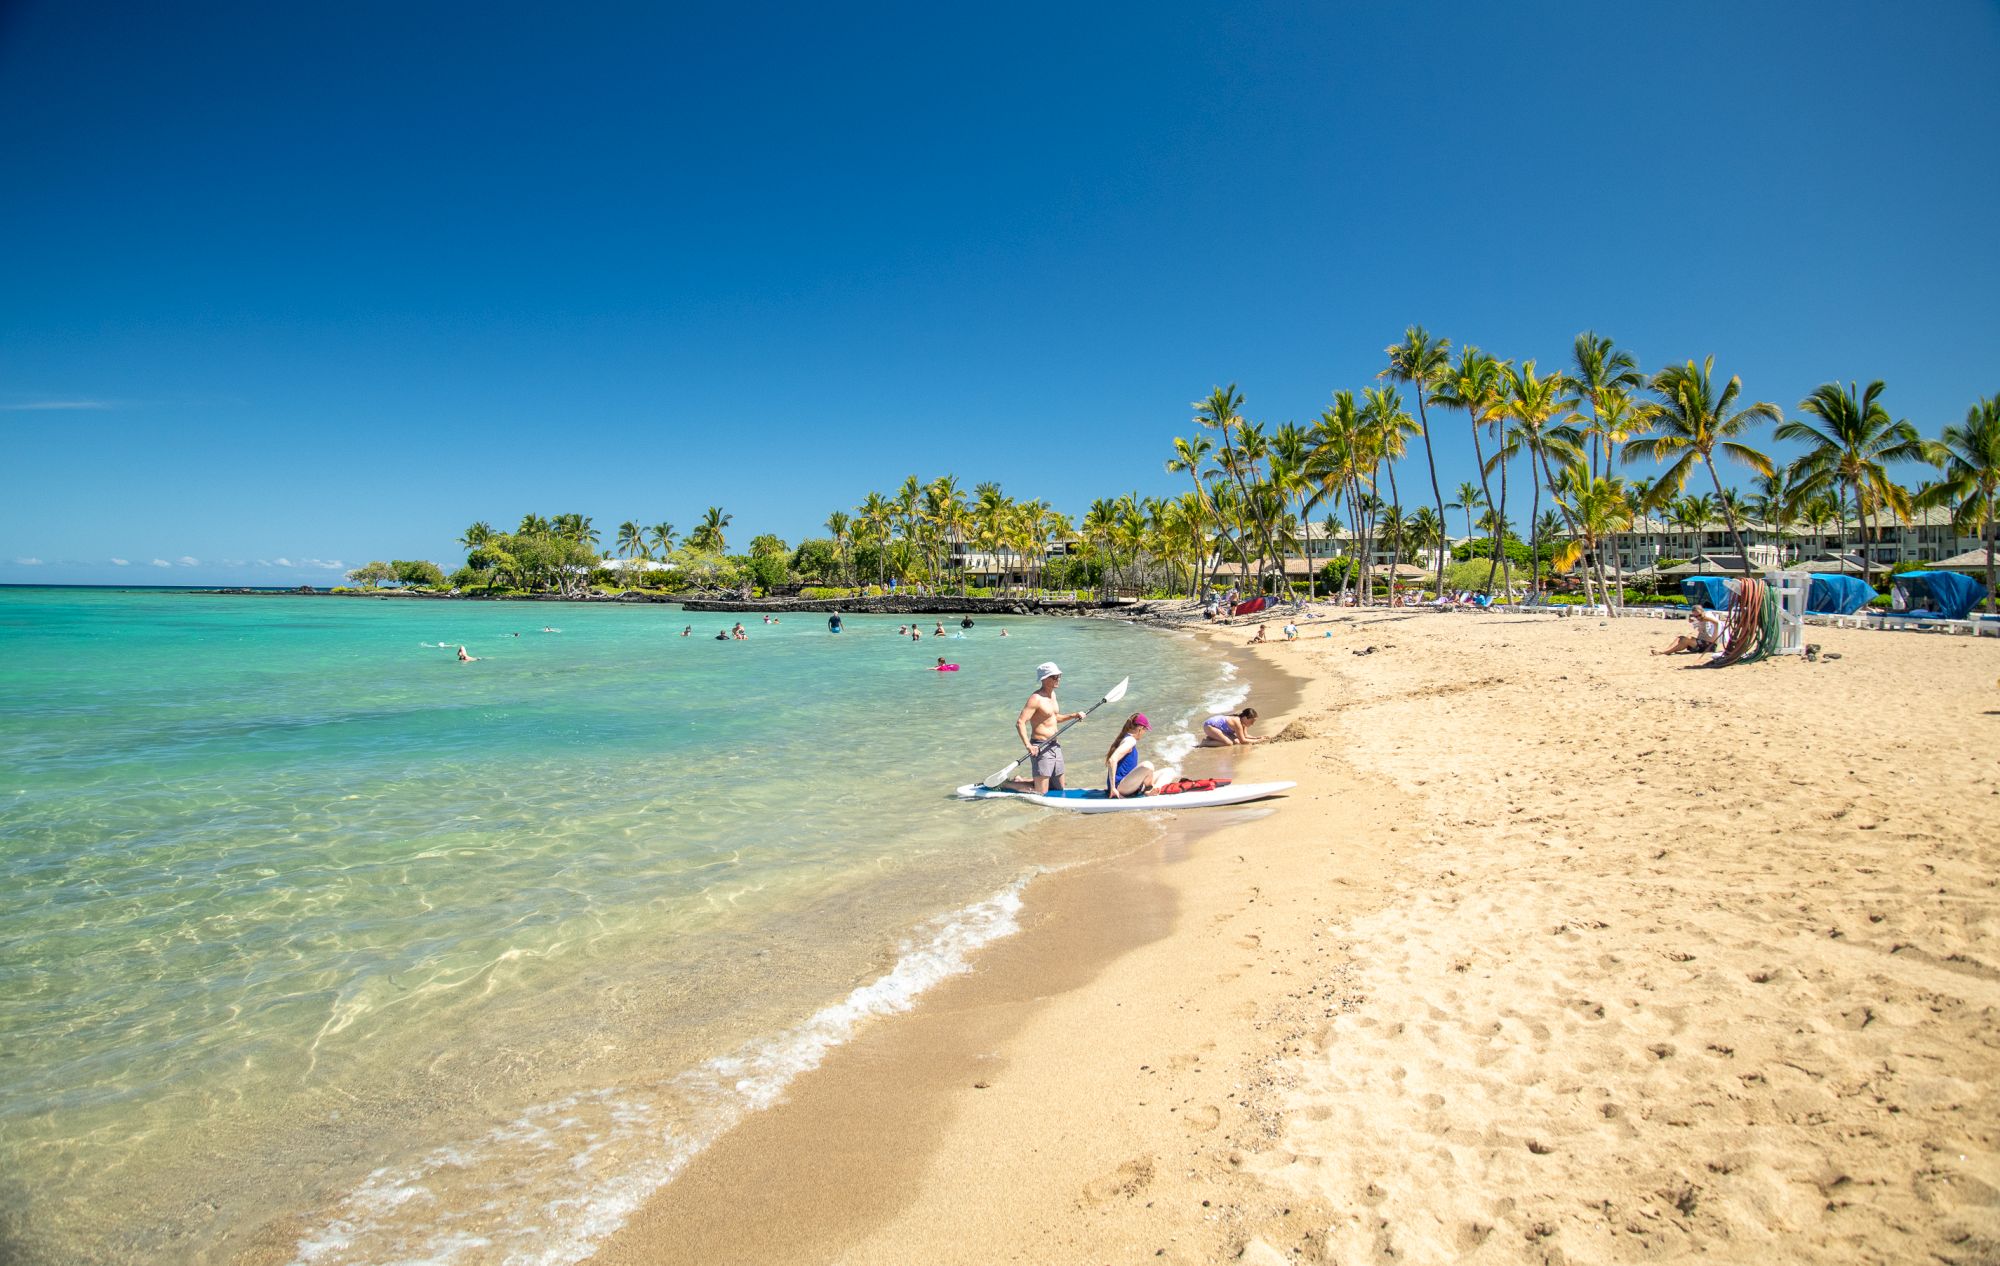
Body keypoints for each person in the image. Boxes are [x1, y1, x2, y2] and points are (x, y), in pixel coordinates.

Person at [1010, 662, 1084, 793]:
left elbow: (1054, 718)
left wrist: (1074, 715)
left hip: (1055, 745)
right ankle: (1007, 784)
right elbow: (1020, 722)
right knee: (1041, 792)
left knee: (1059, 788)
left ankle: (1020, 780)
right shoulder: (1036, 698)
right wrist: (1029, 746)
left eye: (1059, 675)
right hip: (1040, 747)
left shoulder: (1053, 695)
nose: (1058, 679)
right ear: (1045, 679)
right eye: (1055, 676)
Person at [1104, 713, 1159, 798]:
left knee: (1169, 771)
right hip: (1121, 787)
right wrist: (1113, 788)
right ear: (1140, 728)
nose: (1144, 733)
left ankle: (1149, 790)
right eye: (1145, 730)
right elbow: (1112, 760)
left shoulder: (1126, 738)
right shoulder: (1130, 740)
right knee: (1148, 765)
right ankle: (1148, 791)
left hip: (1129, 784)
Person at [1654, 602, 1724, 655]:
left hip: (1709, 646)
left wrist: (1706, 619)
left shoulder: (1709, 617)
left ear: (1703, 612)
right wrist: (1694, 620)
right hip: (1702, 643)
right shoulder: (1699, 620)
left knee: (1685, 640)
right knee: (1681, 637)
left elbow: (1717, 623)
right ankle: (1667, 650)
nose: (1698, 617)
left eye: (1699, 615)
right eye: (1696, 616)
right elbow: (1699, 624)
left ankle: (1665, 652)